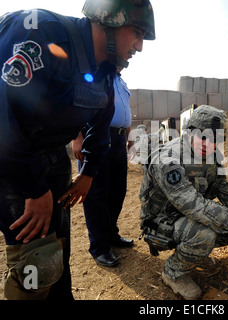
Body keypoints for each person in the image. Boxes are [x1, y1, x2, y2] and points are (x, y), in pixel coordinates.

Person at [0, 0, 155, 300]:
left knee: (56, 257)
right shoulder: (41, 31)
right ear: (108, 20)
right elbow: (3, 117)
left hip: (52, 161)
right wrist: (34, 188)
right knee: (36, 265)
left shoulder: (106, 70)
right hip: (12, 162)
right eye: (136, 32)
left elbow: (100, 121)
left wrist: (88, 173)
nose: (139, 46)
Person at [139, 105, 228, 300]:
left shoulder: (212, 159)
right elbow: (194, 206)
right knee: (204, 234)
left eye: (215, 139)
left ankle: (192, 251)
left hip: (190, 218)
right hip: (160, 222)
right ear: (189, 134)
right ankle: (172, 272)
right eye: (202, 136)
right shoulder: (167, 159)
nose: (207, 143)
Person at [72, 73, 134, 267]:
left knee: (117, 191)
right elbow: (75, 105)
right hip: (96, 136)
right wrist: (77, 137)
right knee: (96, 194)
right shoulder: (92, 73)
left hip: (118, 139)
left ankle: (110, 235)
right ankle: (99, 247)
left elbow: (125, 110)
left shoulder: (121, 80)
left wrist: (129, 135)